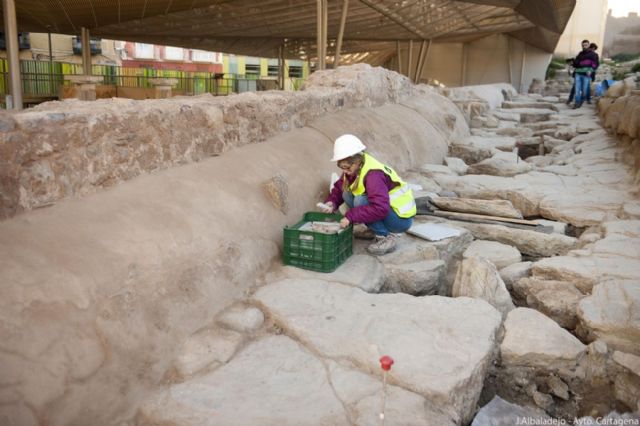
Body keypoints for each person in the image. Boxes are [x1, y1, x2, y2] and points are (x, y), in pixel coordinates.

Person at [320, 134, 416, 256]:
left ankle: (385, 238)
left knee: (360, 201)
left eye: (347, 167)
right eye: (341, 166)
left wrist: (350, 216)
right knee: (347, 194)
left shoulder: (374, 175)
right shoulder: (356, 168)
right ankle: (375, 229)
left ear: (357, 161)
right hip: (389, 212)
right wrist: (331, 203)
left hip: (401, 220)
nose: (344, 171)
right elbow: (340, 186)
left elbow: (380, 208)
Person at [572, 39, 599, 108]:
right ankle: (577, 103)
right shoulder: (580, 54)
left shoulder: (594, 55)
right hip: (578, 73)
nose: (584, 46)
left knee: (584, 91)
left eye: (586, 45)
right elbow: (576, 63)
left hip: (586, 75)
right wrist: (575, 62)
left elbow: (595, 64)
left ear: (588, 45)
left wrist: (591, 70)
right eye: (583, 45)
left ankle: (582, 100)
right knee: (577, 89)